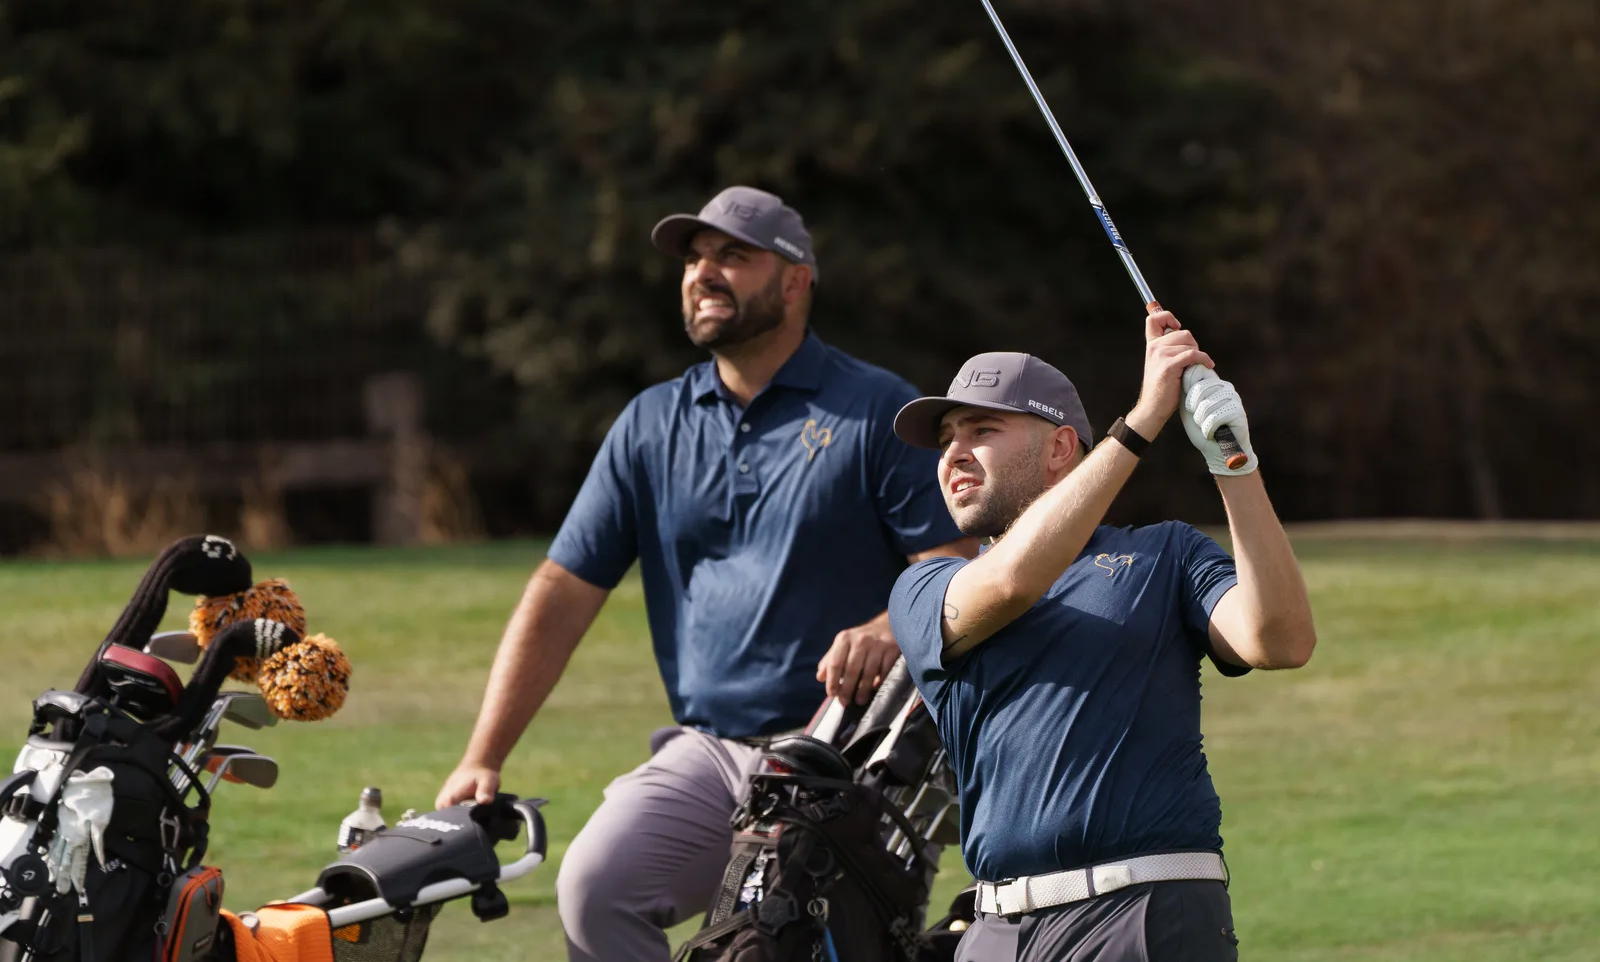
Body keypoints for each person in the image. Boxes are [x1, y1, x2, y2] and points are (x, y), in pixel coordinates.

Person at [435, 185, 975, 962]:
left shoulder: (873, 409)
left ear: (796, 280)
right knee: (595, 887)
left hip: (845, 755)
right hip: (711, 747)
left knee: (782, 937)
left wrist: (890, 626)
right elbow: (562, 591)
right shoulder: (651, 423)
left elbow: (955, 572)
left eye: (733, 256)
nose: (703, 272)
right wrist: (484, 753)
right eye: (693, 257)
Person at [886, 311, 1316, 962]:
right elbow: (1010, 584)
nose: (953, 452)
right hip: (997, 930)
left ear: (1061, 448)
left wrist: (1234, 461)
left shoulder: (1165, 555)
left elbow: (1278, 639)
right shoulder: (927, 587)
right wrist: (1142, 421)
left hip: (1144, 914)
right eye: (946, 437)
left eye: (982, 428)